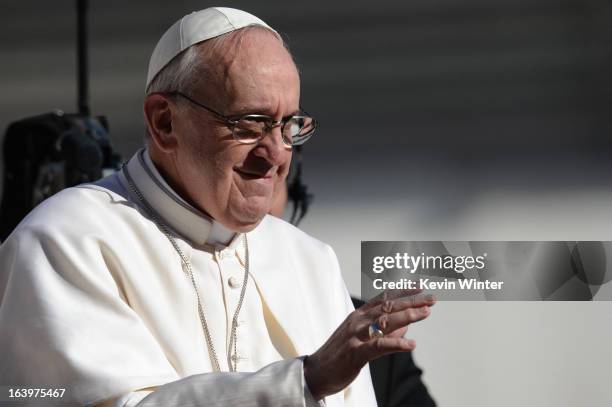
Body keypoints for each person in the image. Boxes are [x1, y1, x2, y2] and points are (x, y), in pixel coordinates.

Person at [0, 7, 435, 407]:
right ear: (164, 122)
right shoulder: (68, 240)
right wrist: (305, 381)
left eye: (289, 126)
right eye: (249, 124)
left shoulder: (311, 261)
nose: (276, 153)